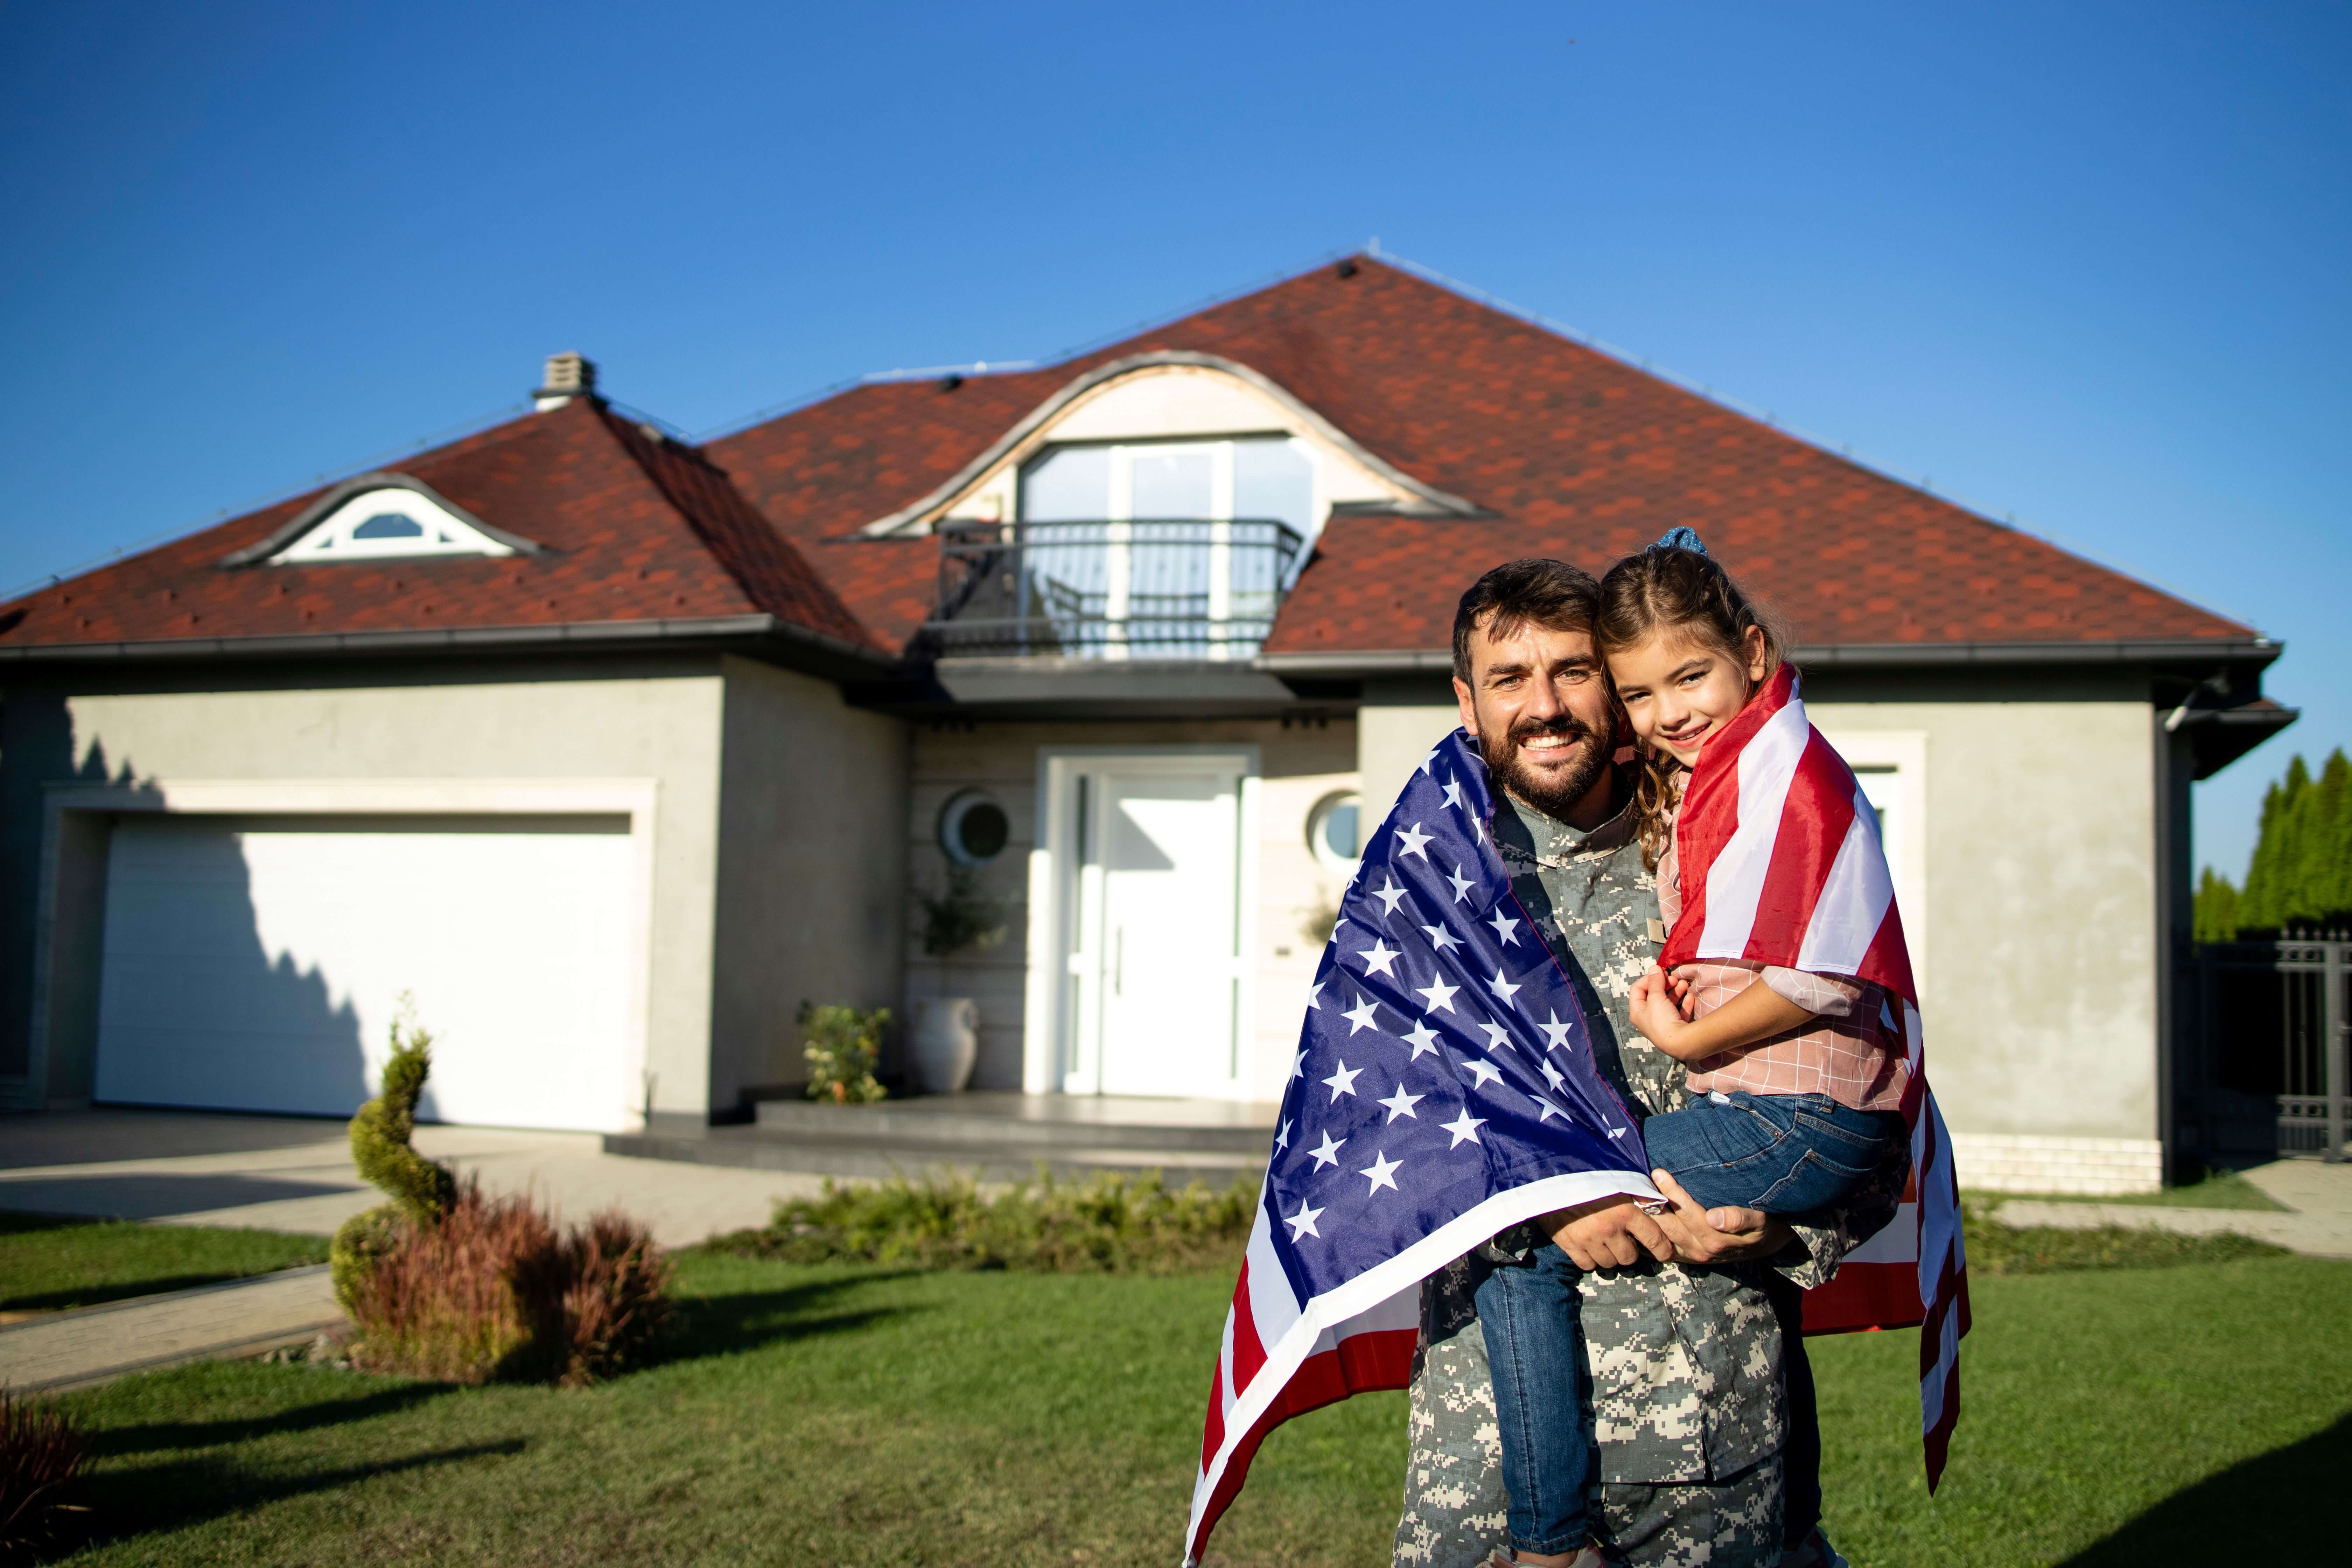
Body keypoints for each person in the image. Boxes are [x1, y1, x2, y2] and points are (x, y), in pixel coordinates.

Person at [1394, 557, 1904, 1568]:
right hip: (1488, 1461)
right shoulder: (1427, 881)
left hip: (1709, 1443)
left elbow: (1867, 1109)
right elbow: (1378, 1132)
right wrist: (1556, 1199)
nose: (1544, 708)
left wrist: (1778, 1232)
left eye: (1575, 672)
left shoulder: (1727, 840)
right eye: (1508, 679)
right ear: (1467, 700)